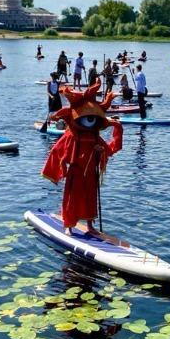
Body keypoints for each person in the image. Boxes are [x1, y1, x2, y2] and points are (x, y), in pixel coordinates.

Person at [41, 82, 123, 235]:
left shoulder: (94, 136)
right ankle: (69, 225)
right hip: (75, 171)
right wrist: (62, 166)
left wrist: (100, 151)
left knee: (91, 199)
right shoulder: (72, 135)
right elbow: (58, 150)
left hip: (91, 172)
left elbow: (108, 150)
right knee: (72, 199)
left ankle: (90, 226)